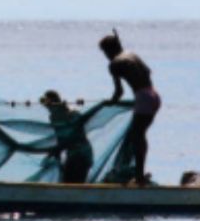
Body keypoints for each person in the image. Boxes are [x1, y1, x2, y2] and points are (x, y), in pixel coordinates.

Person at [100, 33, 161, 186]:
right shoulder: (132, 55)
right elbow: (148, 72)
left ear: (108, 50)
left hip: (143, 97)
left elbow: (119, 92)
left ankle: (139, 177)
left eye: (104, 52)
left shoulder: (114, 64)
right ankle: (139, 174)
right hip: (154, 95)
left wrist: (110, 102)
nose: (105, 56)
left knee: (137, 136)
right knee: (139, 135)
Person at [40, 90, 93, 184]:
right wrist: (56, 154)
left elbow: (75, 135)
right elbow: (60, 139)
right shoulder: (53, 117)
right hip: (73, 154)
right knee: (69, 182)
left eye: (48, 103)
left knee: (73, 183)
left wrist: (57, 149)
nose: (47, 107)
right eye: (46, 105)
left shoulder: (72, 114)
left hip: (81, 154)